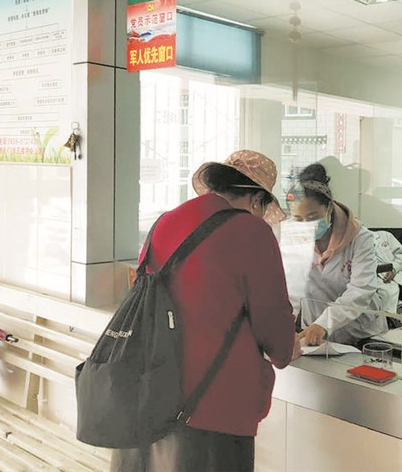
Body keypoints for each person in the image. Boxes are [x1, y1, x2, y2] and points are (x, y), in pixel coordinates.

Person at [111, 150, 299, 472]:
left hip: (151, 391)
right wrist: (288, 348)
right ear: (257, 199)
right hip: (214, 403)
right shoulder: (252, 231)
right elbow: (274, 323)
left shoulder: (164, 222)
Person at [288, 162, 386, 346]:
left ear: (329, 208)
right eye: (299, 219)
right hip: (313, 332)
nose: (307, 225)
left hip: (361, 333)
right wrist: (283, 326)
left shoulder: (359, 238)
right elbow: (290, 289)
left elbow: (361, 289)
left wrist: (324, 324)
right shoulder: (294, 241)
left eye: (313, 217)